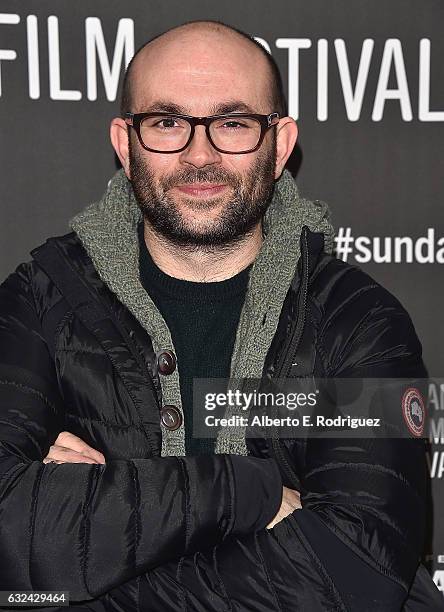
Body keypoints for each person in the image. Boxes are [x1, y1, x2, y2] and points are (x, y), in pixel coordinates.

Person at [0, 18, 441, 612]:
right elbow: (7, 537)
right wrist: (250, 491)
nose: (198, 155)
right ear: (124, 143)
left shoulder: (357, 323)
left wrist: (91, 557)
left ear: (280, 145)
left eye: (233, 123)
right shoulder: (39, 301)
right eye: (166, 122)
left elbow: (354, 574)